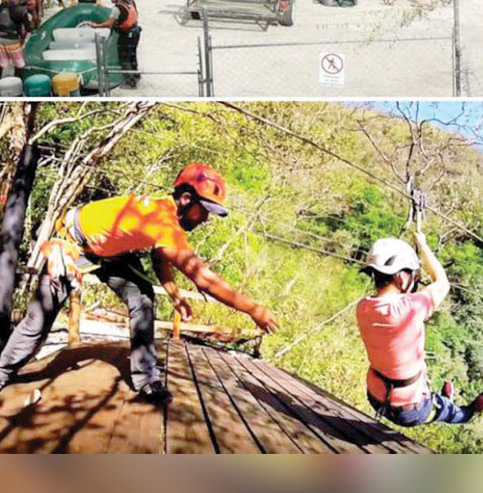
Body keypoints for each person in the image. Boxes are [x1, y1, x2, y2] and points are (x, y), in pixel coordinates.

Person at [0, 163, 279, 404]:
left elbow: (160, 258)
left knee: (143, 297)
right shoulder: (160, 221)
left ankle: (146, 380)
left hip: (106, 251)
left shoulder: (163, 214)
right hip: (71, 243)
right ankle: (1, 373)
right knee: (38, 322)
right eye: (204, 210)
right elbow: (203, 278)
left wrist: (174, 293)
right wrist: (254, 310)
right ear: (185, 199)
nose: (205, 218)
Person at [356, 233, 483, 428]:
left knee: (421, 386)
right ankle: (466, 413)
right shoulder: (410, 306)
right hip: (410, 410)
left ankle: (439, 398)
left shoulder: (363, 307)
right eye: (412, 274)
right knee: (447, 411)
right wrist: (423, 246)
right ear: (401, 277)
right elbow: (442, 282)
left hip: (375, 397)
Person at [83, 0, 141, 88]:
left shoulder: (117, 8)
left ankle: (130, 83)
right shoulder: (130, 1)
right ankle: (136, 75)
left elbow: (109, 23)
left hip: (126, 35)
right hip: (135, 32)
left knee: (124, 58)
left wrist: (96, 25)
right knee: (132, 55)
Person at [0, 0, 32, 77]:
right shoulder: (22, 10)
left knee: (1, 64)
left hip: (0, 41)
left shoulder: (2, 6)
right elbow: (28, 28)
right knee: (19, 65)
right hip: (12, 41)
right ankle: (18, 83)